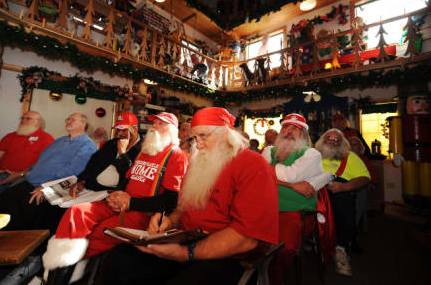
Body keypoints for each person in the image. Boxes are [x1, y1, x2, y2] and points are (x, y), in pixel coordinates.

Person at [96, 107, 279, 285]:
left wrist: (186, 253)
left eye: (203, 136)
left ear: (225, 133)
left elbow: (245, 238)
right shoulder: (200, 163)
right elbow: (182, 208)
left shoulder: (253, 165)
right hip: (185, 241)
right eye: (195, 138)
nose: (198, 144)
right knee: (118, 258)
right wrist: (168, 220)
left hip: (225, 255)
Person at [41, 112, 188, 285]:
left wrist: (130, 202)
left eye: (161, 123)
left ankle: (58, 278)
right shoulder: (146, 151)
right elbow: (126, 181)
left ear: (172, 130)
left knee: (96, 234)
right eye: (154, 122)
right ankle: (55, 270)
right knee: (77, 211)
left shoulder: (176, 156)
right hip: (119, 203)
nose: (154, 126)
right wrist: (116, 194)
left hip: (141, 213)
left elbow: (170, 201)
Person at [261, 113, 332, 283]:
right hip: (266, 209)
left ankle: (271, 278)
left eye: (296, 128)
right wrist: (292, 186)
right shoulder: (268, 150)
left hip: (295, 212)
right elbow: (260, 175)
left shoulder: (312, 154)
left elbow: (290, 174)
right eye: (286, 127)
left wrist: (279, 176)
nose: (289, 131)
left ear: (304, 135)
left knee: (282, 249)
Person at [0, 113, 97, 229]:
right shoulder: (60, 140)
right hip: (34, 181)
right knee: (6, 197)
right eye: (67, 119)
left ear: (84, 124)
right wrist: (21, 173)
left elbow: (73, 170)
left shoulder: (87, 145)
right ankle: (10, 239)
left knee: (29, 206)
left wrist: (47, 185)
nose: (68, 121)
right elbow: (41, 162)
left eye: (72, 120)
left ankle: (26, 242)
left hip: (57, 185)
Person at [0, 111, 54, 213]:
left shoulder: (46, 139)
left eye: (28, 118)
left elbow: (47, 164)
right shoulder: (10, 136)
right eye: (22, 118)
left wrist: (20, 174)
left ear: (38, 122)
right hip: (3, 173)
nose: (23, 121)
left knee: (8, 195)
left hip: (25, 177)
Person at [315, 129, 371, 276]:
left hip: (338, 193)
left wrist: (345, 187)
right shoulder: (313, 155)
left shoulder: (350, 157)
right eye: (329, 138)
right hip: (314, 193)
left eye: (337, 139)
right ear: (322, 140)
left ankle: (341, 249)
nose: (332, 142)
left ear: (342, 143)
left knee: (344, 200)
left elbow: (365, 178)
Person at [73, 111, 142, 194]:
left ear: (135, 129)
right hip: (92, 187)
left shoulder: (143, 150)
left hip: (113, 193)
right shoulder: (112, 143)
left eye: (123, 130)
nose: (119, 134)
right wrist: (82, 180)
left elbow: (129, 175)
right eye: (118, 130)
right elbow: (93, 161)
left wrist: (122, 153)